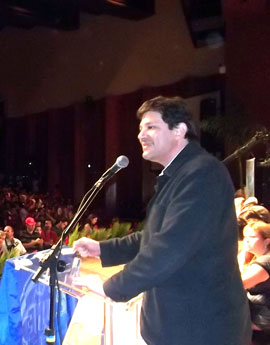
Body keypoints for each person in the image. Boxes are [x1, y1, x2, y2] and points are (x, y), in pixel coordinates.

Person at [73, 96, 251, 345]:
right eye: (140, 129)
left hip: (202, 328)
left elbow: (170, 246)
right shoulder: (178, 175)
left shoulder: (201, 174)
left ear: (179, 130)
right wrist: (102, 249)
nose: (141, 135)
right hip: (177, 326)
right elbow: (153, 237)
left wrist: (111, 287)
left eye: (151, 127)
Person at [239, 221, 270, 331]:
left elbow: (239, 284)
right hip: (255, 314)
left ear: (267, 241)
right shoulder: (256, 258)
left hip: (260, 321)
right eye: (245, 236)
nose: (246, 240)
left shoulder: (266, 261)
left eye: (252, 237)